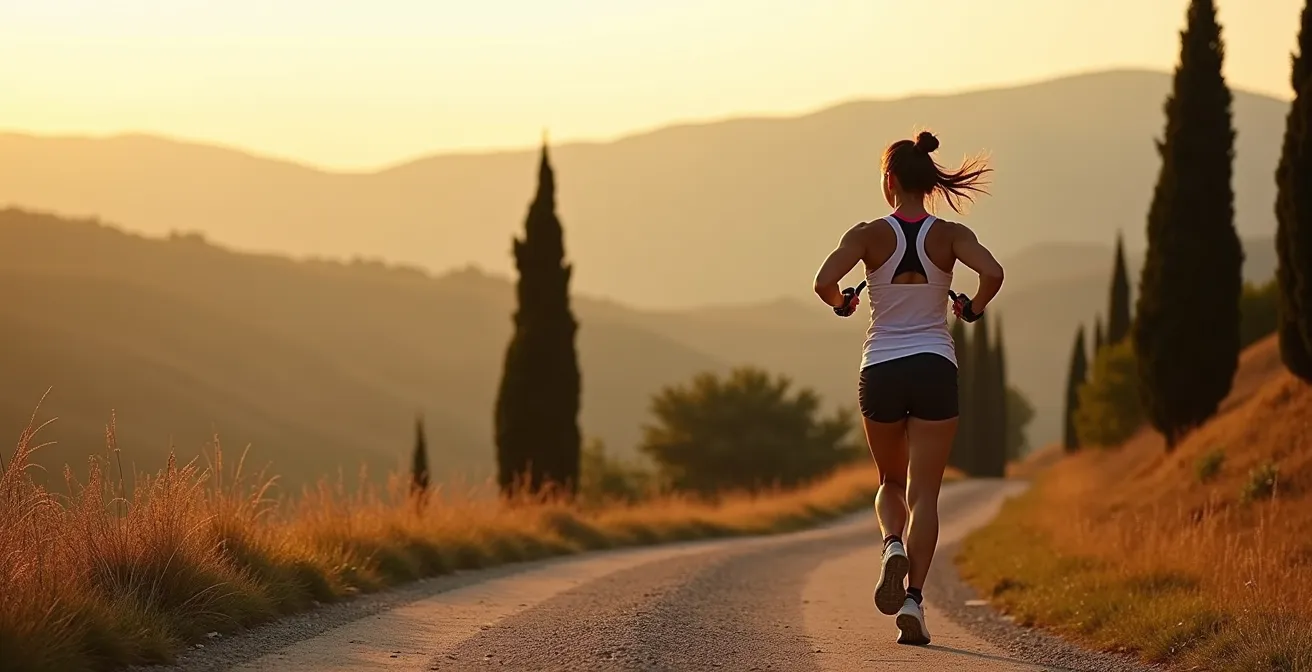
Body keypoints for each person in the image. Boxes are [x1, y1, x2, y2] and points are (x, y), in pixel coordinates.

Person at [811, 130, 1004, 646]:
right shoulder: (950, 235)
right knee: (926, 494)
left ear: (890, 181)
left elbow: (823, 282)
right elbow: (993, 272)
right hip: (935, 367)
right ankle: (914, 602)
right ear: (929, 182)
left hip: (882, 369)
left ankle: (891, 544)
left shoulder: (868, 233)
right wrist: (974, 307)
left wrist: (842, 304)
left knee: (889, 483)